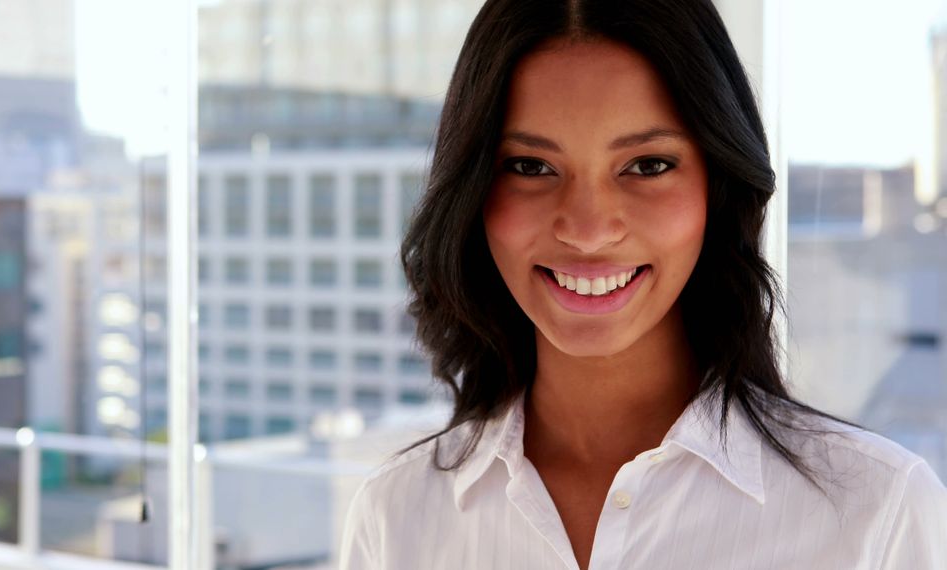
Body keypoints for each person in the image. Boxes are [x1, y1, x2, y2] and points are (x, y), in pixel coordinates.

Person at [338, 0, 947, 568]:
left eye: (648, 166)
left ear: (718, 185)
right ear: (473, 194)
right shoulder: (395, 520)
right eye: (531, 167)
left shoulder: (878, 515)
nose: (588, 229)